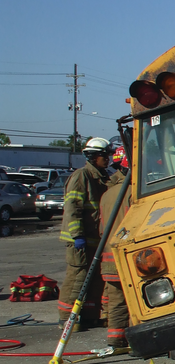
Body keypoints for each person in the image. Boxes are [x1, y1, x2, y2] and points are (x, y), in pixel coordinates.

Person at [57, 137, 113, 327]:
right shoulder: (82, 176)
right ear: (93, 156)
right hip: (80, 240)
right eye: (104, 155)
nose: (107, 159)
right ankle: (66, 318)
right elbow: (73, 207)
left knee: (96, 280)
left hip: (95, 239)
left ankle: (90, 316)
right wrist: (77, 235)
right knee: (77, 279)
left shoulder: (101, 176)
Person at [100, 146, 132, 348]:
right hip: (126, 258)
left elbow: (101, 228)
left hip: (108, 259)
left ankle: (115, 340)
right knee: (133, 301)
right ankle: (135, 341)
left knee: (116, 301)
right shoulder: (133, 194)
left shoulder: (106, 195)